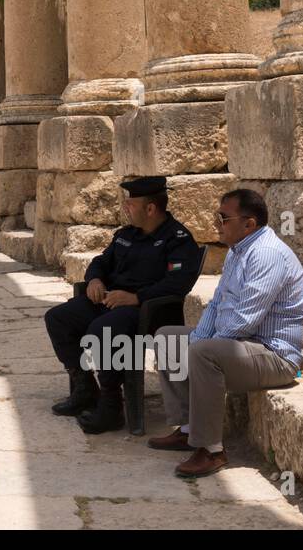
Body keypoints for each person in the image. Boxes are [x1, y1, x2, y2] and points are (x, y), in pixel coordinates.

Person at [149, 188, 303, 478]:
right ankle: (187, 429)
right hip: (242, 347)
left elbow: (245, 320)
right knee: (169, 339)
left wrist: (199, 347)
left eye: (223, 218)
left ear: (249, 223)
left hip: (274, 356)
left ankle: (211, 450)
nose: (216, 224)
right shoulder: (238, 251)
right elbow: (217, 304)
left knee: (203, 352)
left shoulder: (267, 255)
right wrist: (195, 341)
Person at [45, 176, 204, 434]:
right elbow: (101, 261)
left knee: (102, 331)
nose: (126, 209)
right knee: (58, 318)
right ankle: (84, 387)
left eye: (130, 204)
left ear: (150, 209)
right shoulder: (127, 234)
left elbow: (178, 283)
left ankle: (111, 405)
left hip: (148, 311)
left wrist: (136, 298)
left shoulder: (177, 238)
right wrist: (94, 279)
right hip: (111, 301)